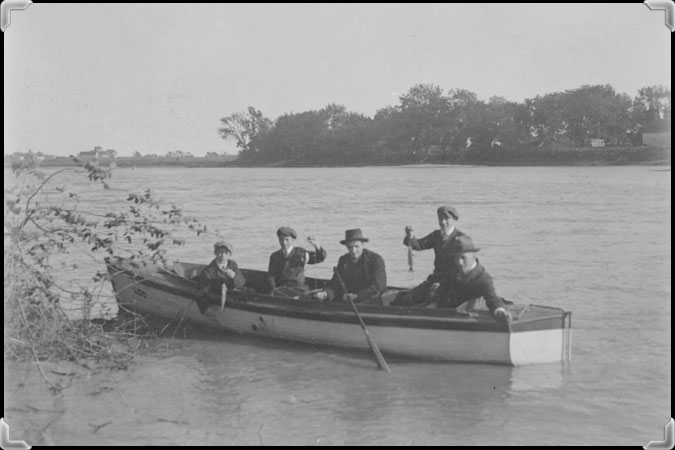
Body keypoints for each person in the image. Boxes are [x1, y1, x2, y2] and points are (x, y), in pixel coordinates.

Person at [392, 205, 468, 306]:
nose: (443, 222)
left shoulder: (461, 239)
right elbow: (419, 245)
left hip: (453, 283)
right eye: (440, 218)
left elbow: (464, 269)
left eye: (446, 218)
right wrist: (410, 237)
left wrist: (442, 285)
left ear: (453, 219)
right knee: (408, 299)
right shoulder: (436, 235)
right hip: (435, 278)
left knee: (436, 301)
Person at [432, 235, 512, 323]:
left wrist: (500, 312)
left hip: (466, 320)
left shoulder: (483, 278)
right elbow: (443, 289)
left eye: (463, 258)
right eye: (456, 257)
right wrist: (434, 300)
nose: (459, 262)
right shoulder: (453, 270)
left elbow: (492, 298)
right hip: (447, 315)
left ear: (473, 256)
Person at [314, 228, 387, 305]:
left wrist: (357, 296)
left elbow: (378, 287)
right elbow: (336, 283)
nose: (353, 251)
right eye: (350, 247)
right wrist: (326, 293)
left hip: (372, 301)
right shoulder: (343, 260)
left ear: (363, 244)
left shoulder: (376, 260)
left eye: (357, 246)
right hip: (349, 301)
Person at [267, 226, 326, 297]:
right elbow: (271, 276)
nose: (284, 243)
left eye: (287, 240)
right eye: (281, 240)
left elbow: (319, 258)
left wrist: (317, 246)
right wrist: (274, 289)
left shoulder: (300, 253)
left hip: (299, 289)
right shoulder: (275, 256)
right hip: (282, 289)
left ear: (293, 240)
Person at [194, 240, 246, 313]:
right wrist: (206, 309)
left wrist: (234, 276)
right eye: (220, 252)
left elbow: (242, 283)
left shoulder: (233, 265)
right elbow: (200, 293)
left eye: (226, 253)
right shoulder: (208, 271)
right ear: (215, 253)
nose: (223, 256)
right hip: (217, 302)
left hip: (234, 299)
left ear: (229, 255)